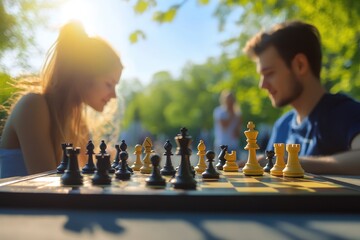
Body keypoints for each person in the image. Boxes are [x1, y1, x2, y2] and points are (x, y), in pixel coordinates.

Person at [0, 21, 123, 178]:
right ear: (84, 75)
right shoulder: (33, 106)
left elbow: (85, 185)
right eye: (109, 84)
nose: (114, 95)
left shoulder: (79, 125)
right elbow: (49, 192)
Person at [243, 20, 360, 175]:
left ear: (300, 65)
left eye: (269, 73)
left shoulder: (346, 113)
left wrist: (291, 162)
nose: (262, 85)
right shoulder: (282, 126)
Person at [213, 90, 242, 154]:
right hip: (222, 145)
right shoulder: (219, 111)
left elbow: (238, 131)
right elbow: (224, 126)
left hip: (234, 145)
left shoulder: (238, 113)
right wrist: (231, 114)